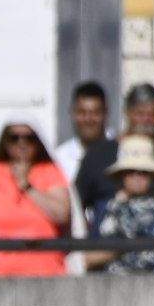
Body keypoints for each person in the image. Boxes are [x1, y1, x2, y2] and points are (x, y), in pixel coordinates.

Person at [0, 119, 71, 277]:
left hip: (43, 272)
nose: (22, 143)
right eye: (14, 138)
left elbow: (62, 214)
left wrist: (27, 187)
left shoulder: (50, 171)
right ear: (5, 142)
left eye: (29, 138)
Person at [83, 135, 154, 272]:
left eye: (143, 172)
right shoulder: (106, 209)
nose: (137, 177)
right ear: (121, 175)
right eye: (130, 172)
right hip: (115, 284)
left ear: (153, 175)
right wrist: (121, 248)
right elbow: (88, 258)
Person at [55, 79, 115, 212]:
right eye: (82, 113)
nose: (88, 119)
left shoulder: (120, 151)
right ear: (72, 113)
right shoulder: (59, 158)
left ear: (106, 113)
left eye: (95, 113)